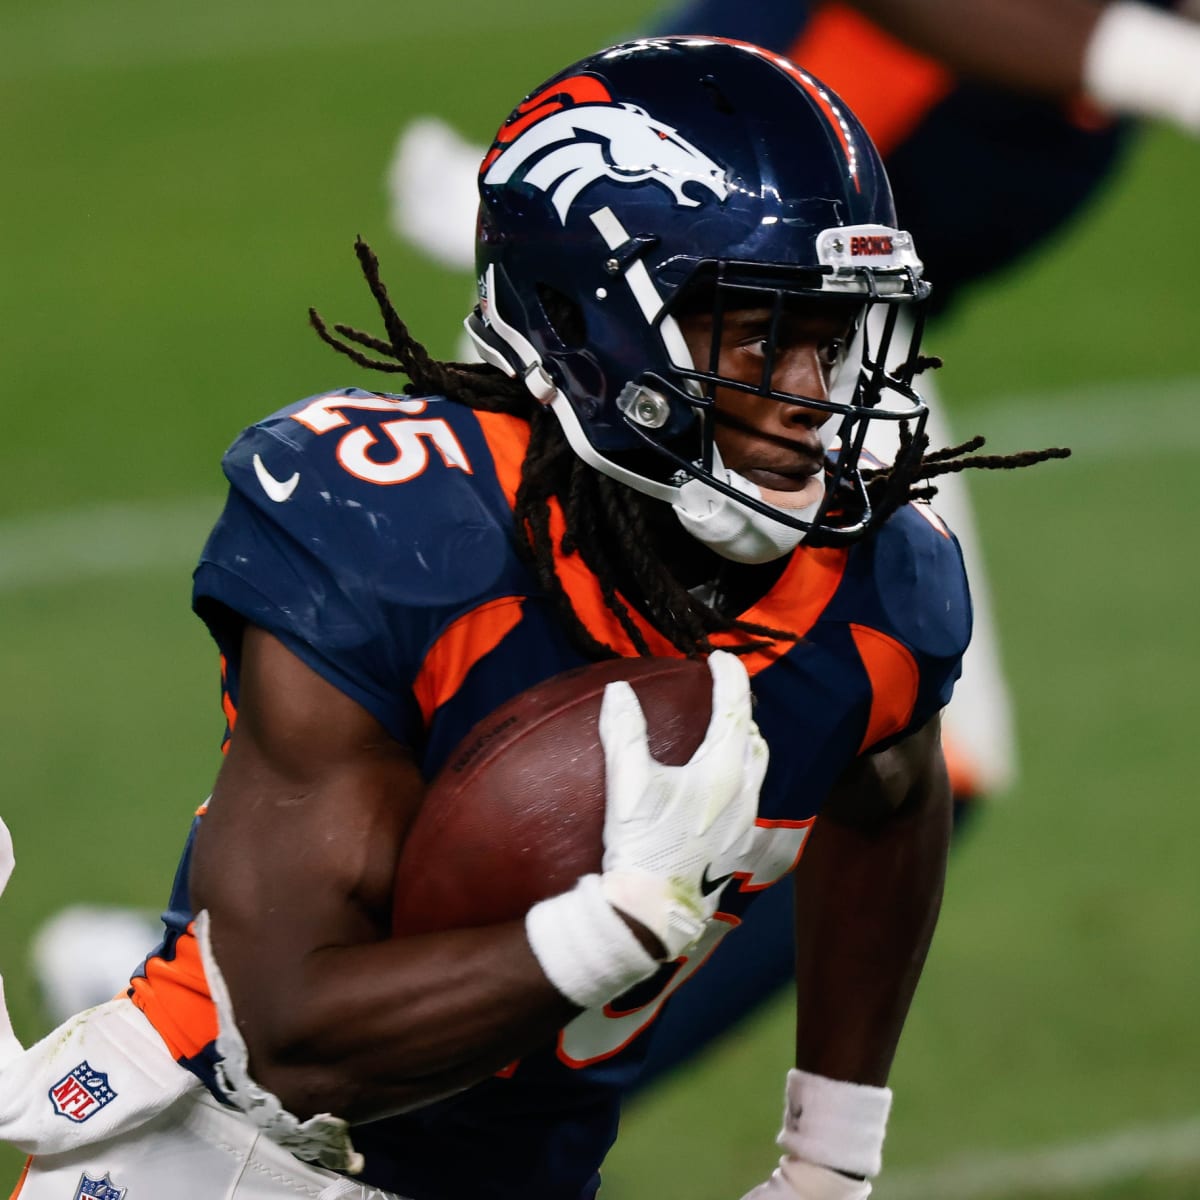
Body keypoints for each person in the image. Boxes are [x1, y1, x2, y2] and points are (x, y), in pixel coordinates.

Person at [1, 37, 1066, 1199]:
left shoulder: (872, 589)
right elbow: (289, 1035)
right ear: (581, 315)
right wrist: (614, 928)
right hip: (227, 1151)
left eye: (829, 337)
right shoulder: (402, 539)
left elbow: (895, 793)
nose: (811, 401)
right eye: (759, 335)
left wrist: (830, 1159)